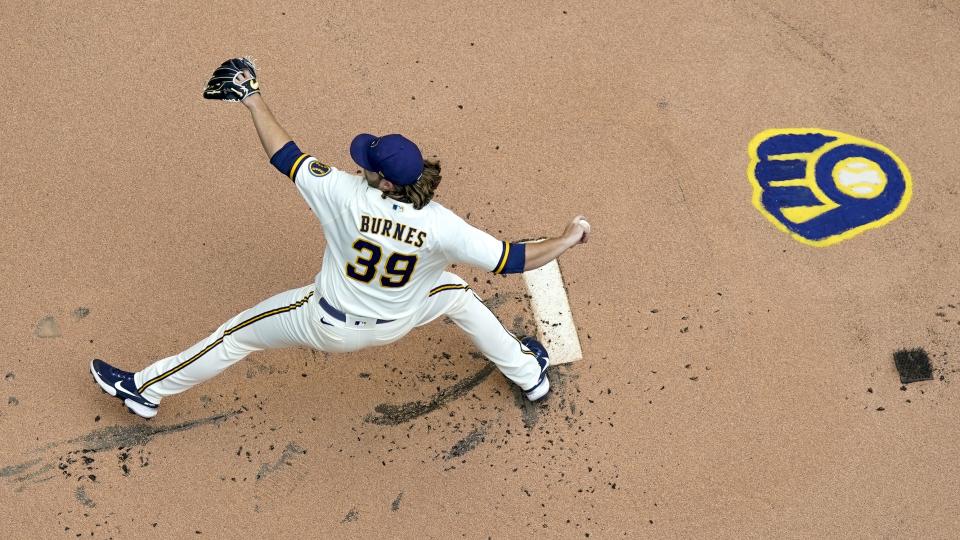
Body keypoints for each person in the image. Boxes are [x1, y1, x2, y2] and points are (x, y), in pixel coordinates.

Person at [90, 58, 590, 419]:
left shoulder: (345, 194)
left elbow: (284, 154)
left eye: (370, 165)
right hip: (400, 318)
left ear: (386, 182)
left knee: (235, 335)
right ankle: (530, 375)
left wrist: (251, 96)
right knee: (457, 295)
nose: (361, 166)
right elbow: (514, 258)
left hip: (326, 323)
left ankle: (143, 389)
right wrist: (566, 239)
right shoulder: (443, 225)